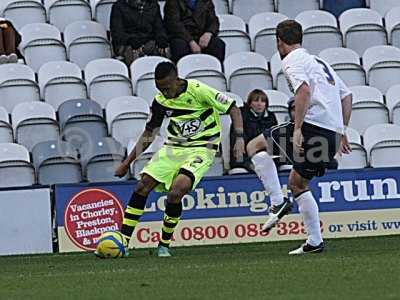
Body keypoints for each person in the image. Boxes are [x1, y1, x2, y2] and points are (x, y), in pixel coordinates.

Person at [114, 61, 245, 257]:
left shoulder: (199, 90)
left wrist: (240, 138)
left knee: (177, 190)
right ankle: (123, 242)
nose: (164, 93)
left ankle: (163, 245)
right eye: (160, 89)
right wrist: (127, 163)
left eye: (166, 88)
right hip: (173, 147)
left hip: (202, 148)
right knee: (143, 185)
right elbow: (150, 133)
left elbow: (234, 108)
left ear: (177, 79)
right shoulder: (160, 101)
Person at [246, 20, 353, 255]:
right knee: (298, 183)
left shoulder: (291, 60)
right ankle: (314, 242)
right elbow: (347, 96)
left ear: (279, 41)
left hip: (313, 129)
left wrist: (297, 128)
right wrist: (342, 130)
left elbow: (302, 90)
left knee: (254, 145)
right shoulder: (319, 61)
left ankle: (276, 201)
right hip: (331, 133)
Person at [230, 89, 278, 172]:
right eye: (256, 100)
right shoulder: (241, 115)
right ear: (250, 103)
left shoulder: (271, 117)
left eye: (263, 101)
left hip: (266, 157)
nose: (259, 104)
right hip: (245, 159)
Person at [110, 0, 170, 65]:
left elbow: (159, 28)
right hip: (126, 43)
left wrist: (161, 38)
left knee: (164, 49)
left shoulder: (153, 5)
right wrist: (130, 40)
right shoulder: (118, 6)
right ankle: (134, 72)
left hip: (148, 41)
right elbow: (117, 33)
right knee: (132, 52)